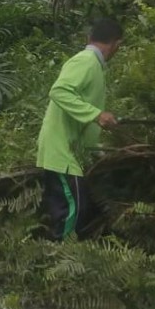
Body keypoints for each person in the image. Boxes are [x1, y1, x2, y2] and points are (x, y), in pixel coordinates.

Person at [37, 18, 123, 240]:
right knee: (73, 211)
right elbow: (59, 91)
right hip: (62, 151)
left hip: (71, 151)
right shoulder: (86, 61)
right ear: (116, 44)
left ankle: (63, 260)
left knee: (80, 209)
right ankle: (59, 262)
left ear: (89, 38)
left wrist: (98, 150)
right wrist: (97, 115)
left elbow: (81, 111)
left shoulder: (92, 65)